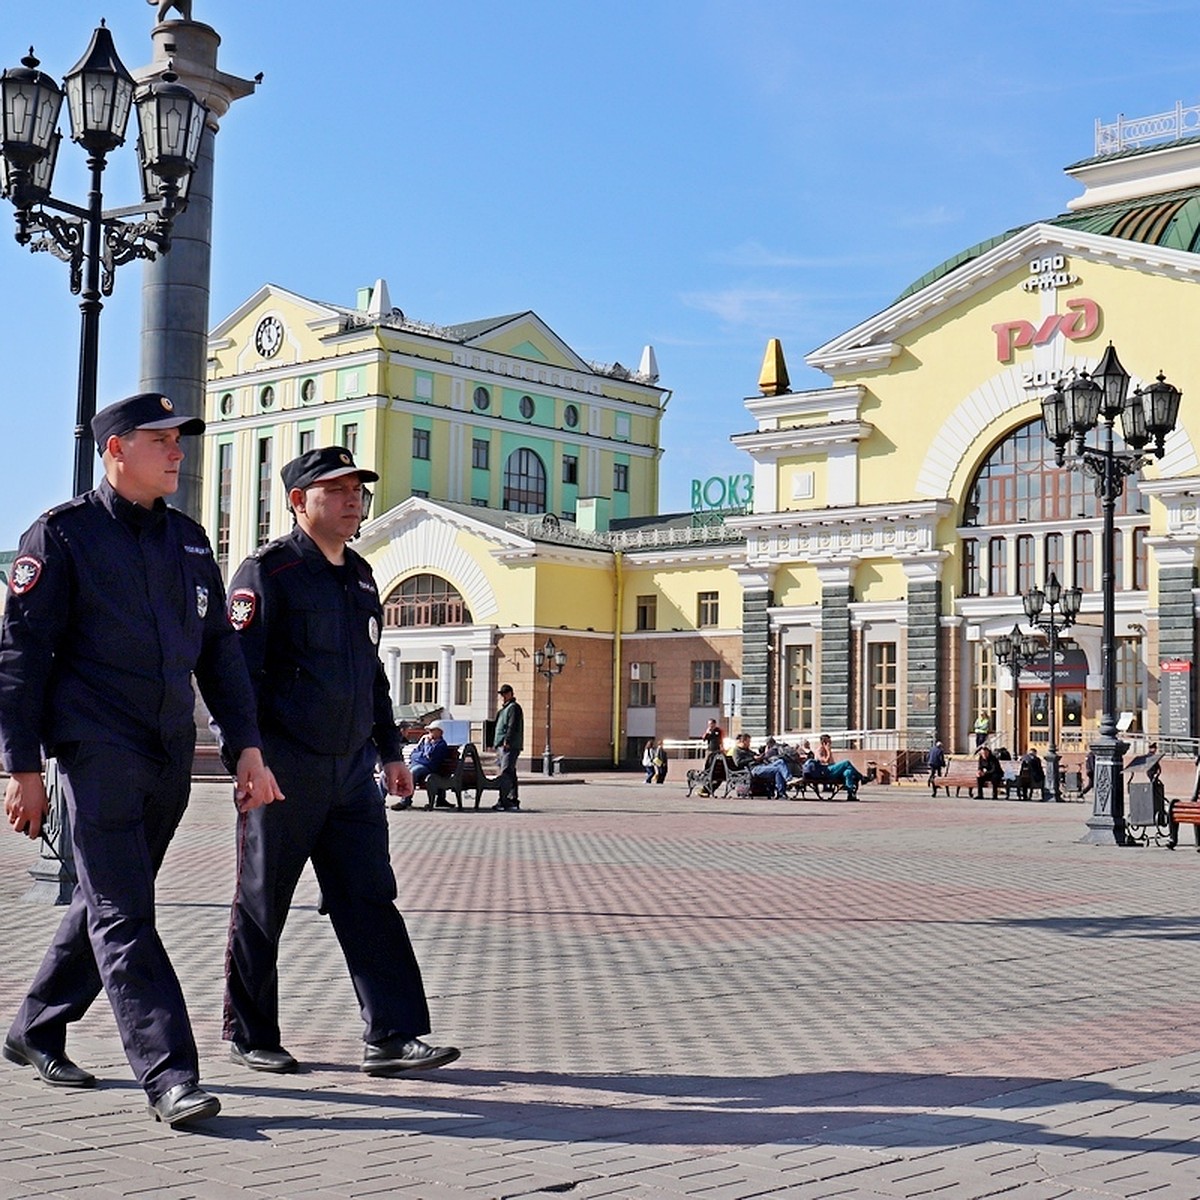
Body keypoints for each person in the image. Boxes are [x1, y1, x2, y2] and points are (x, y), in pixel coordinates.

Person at [0, 393, 282, 1129]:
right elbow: (21, 658)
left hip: (168, 752)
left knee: (106, 900)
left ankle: (33, 1027)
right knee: (128, 912)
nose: (179, 452)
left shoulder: (188, 542)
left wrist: (246, 744)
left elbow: (220, 652)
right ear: (116, 449)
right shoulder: (63, 536)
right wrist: (22, 768)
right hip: (96, 748)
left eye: (180, 440)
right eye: (163, 440)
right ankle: (170, 1075)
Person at [222, 446, 459, 1079]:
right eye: (336, 489)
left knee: (369, 897)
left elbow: (371, 672)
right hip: (283, 770)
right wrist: (246, 757)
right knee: (262, 902)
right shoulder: (266, 574)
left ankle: (392, 1035)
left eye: (358, 489)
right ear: (299, 502)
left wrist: (389, 750)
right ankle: (252, 1034)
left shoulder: (359, 574)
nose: (353, 499)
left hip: (352, 772)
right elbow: (236, 676)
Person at [392, 721, 452, 810]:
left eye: (432, 730)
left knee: (413, 773)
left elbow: (430, 755)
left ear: (440, 732)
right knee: (406, 772)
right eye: (429, 730)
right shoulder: (424, 741)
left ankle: (405, 801)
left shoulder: (441, 744)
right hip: (419, 764)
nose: (429, 733)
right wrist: (421, 755)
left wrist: (427, 745)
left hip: (430, 768)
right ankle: (404, 798)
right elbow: (414, 754)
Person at [492, 684, 524, 811]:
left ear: (511, 693)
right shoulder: (503, 710)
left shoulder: (513, 708)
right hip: (501, 745)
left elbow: (512, 725)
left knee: (506, 772)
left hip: (508, 746)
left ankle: (504, 800)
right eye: (502, 694)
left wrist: (508, 741)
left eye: (505, 693)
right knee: (510, 772)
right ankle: (512, 799)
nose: (503, 696)